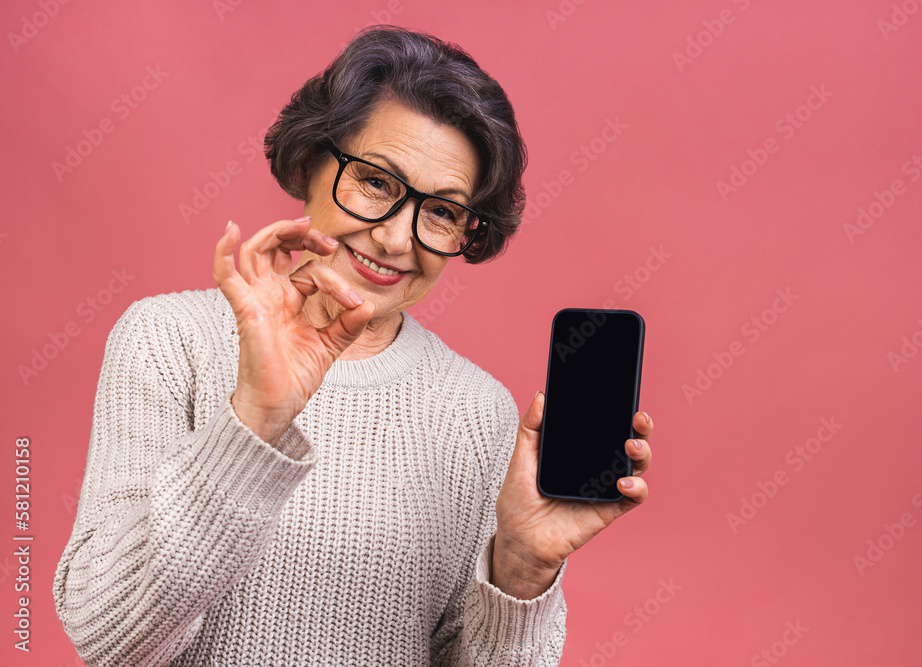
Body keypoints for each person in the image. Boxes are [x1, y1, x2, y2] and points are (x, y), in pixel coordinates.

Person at [52, 26, 655, 666]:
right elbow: (107, 638)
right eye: (374, 181)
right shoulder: (167, 341)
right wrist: (254, 421)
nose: (397, 240)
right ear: (312, 159)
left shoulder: (477, 412)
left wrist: (521, 570)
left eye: (443, 212)